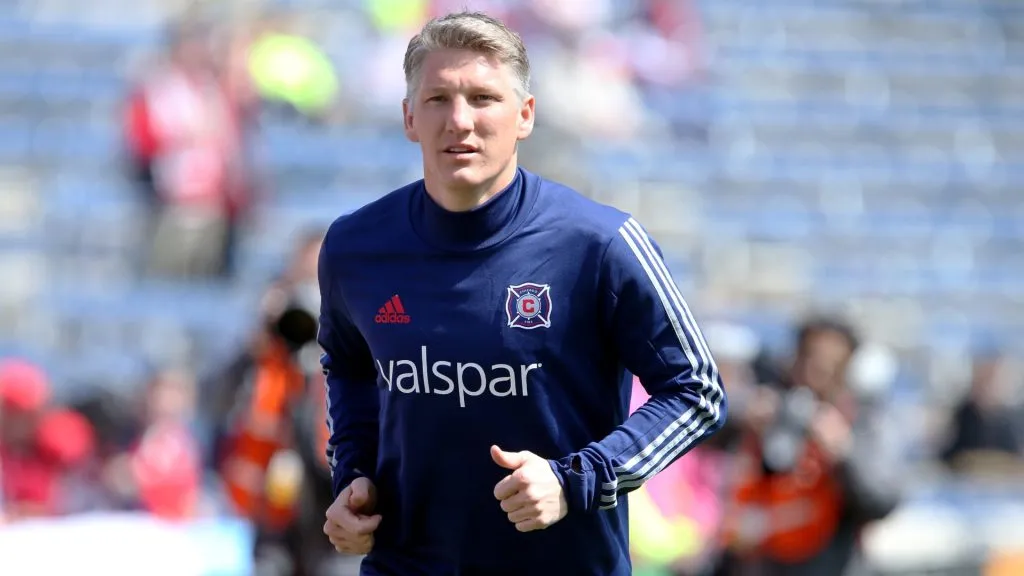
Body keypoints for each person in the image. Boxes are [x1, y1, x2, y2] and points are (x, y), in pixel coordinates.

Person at [317, 11, 727, 575]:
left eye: (483, 98)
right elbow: (349, 368)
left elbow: (697, 392)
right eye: (438, 99)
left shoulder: (601, 244)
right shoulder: (354, 247)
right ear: (409, 117)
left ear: (525, 115)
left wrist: (576, 479)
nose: (459, 121)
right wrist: (354, 478)